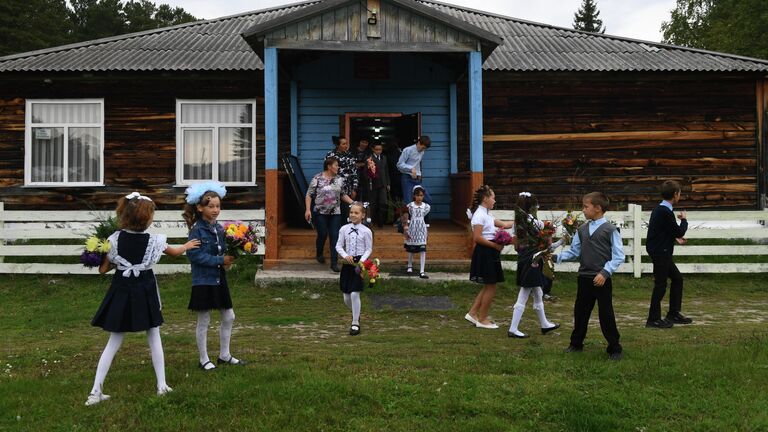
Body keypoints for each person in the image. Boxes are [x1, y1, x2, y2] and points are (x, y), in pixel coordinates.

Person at [86, 192, 200, 406]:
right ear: (146, 218)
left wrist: (101, 256)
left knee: (114, 341)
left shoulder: (113, 239)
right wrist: (186, 246)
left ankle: (95, 391)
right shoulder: (154, 240)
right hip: (144, 290)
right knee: (154, 335)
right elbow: (174, 252)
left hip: (121, 290)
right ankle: (161, 385)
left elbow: (102, 270)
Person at [554, 192, 625, 361]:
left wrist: (605, 273)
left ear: (598, 208)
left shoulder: (610, 230)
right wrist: (556, 257)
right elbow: (574, 252)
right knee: (580, 312)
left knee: (606, 314)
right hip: (584, 278)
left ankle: (615, 348)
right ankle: (576, 344)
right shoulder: (581, 229)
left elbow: (618, 256)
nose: (583, 210)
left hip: (602, 279)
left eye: (586, 207)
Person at [183, 181, 245, 371]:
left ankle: (224, 355)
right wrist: (220, 260)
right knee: (204, 319)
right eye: (211, 206)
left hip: (219, 279)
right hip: (203, 280)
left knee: (229, 316)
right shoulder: (197, 230)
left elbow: (223, 250)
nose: (216, 210)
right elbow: (194, 255)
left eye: (218, 206)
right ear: (200, 208)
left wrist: (235, 252)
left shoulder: (219, 229)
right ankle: (204, 359)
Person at [507, 192, 560, 338]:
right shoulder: (530, 219)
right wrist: (551, 228)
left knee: (538, 291)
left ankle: (544, 324)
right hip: (532, 258)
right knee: (525, 291)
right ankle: (513, 328)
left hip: (525, 255)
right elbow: (545, 227)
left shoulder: (518, 220)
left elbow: (516, 240)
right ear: (531, 207)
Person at [465, 185, 515, 329]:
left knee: (489, 285)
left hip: (490, 252)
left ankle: (473, 313)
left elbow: (505, 225)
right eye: (493, 197)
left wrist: (521, 220)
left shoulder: (486, 214)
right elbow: (477, 238)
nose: (494, 200)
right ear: (485, 199)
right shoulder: (479, 215)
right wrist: (495, 246)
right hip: (485, 252)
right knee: (491, 286)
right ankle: (483, 319)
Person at [645, 180, 691, 328]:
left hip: (660, 250)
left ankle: (673, 313)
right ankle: (653, 320)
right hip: (660, 252)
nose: (680, 196)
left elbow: (663, 230)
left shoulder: (661, 209)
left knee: (677, 279)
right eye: (679, 193)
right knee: (660, 285)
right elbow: (678, 230)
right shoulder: (665, 211)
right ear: (675, 194)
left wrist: (675, 238)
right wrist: (684, 220)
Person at [305, 157, 354, 272]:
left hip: (335, 213)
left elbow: (343, 194)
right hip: (320, 212)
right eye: (336, 165)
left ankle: (334, 262)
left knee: (335, 236)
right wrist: (308, 210)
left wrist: (353, 203)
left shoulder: (339, 179)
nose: (338, 167)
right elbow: (309, 195)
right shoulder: (317, 178)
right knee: (322, 234)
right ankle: (319, 252)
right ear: (329, 166)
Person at [335, 202, 373, 336]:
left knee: (354, 293)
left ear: (363, 215)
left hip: (359, 264)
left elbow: (369, 249)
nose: (353, 215)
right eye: (351, 212)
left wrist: (362, 261)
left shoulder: (366, 231)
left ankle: (355, 322)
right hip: (347, 263)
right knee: (346, 297)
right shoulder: (344, 229)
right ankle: (356, 313)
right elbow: (338, 246)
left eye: (356, 213)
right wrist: (345, 256)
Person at [325, 136, 358, 217]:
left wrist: (354, 188)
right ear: (337, 145)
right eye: (343, 144)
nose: (346, 145)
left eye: (346, 143)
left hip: (347, 189)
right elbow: (326, 171)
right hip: (333, 189)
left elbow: (354, 172)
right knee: (334, 213)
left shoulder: (350, 155)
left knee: (346, 212)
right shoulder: (330, 155)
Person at [403, 185, 431, 278]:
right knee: (411, 249)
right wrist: (406, 229)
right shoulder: (410, 206)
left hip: (422, 229)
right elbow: (408, 218)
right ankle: (409, 266)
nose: (419, 197)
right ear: (414, 195)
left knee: (423, 249)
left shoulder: (426, 207)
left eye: (421, 195)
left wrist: (427, 232)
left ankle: (422, 271)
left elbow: (426, 220)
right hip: (412, 228)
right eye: (417, 195)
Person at [396, 135, 432, 204]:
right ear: (418, 143)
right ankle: (408, 214)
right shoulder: (407, 150)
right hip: (407, 178)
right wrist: (411, 168)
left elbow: (417, 164)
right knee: (408, 202)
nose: (423, 150)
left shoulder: (422, 152)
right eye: (423, 148)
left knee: (428, 199)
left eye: (425, 149)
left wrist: (419, 173)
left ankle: (420, 214)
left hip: (416, 179)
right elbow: (399, 164)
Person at [368, 142, 390, 228]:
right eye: (376, 149)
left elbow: (386, 171)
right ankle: (372, 221)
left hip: (383, 184)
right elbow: (367, 172)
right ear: (373, 149)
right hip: (373, 184)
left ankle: (381, 222)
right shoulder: (369, 158)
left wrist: (388, 183)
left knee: (383, 203)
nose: (378, 151)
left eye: (380, 149)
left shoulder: (384, 157)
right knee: (373, 204)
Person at [352, 138, 372, 204]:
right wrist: (363, 164)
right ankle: (355, 206)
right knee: (355, 190)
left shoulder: (369, 152)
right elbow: (351, 163)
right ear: (359, 142)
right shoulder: (353, 150)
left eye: (366, 142)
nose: (364, 144)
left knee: (366, 192)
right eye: (362, 142)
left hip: (365, 174)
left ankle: (365, 207)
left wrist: (360, 164)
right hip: (354, 174)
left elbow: (370, 162)